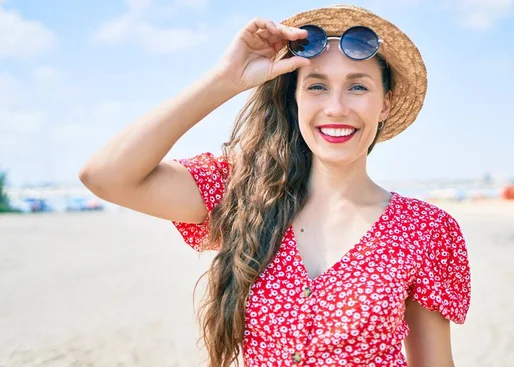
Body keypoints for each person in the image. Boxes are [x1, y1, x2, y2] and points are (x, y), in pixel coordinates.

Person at [79, 4, 471, 367]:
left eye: (358, 87)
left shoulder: (426, 229)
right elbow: (106, 176)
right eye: (316, 86)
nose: (336, 107)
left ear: (384, 103)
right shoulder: (244, 194)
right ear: (295, 98)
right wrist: (224, 79)